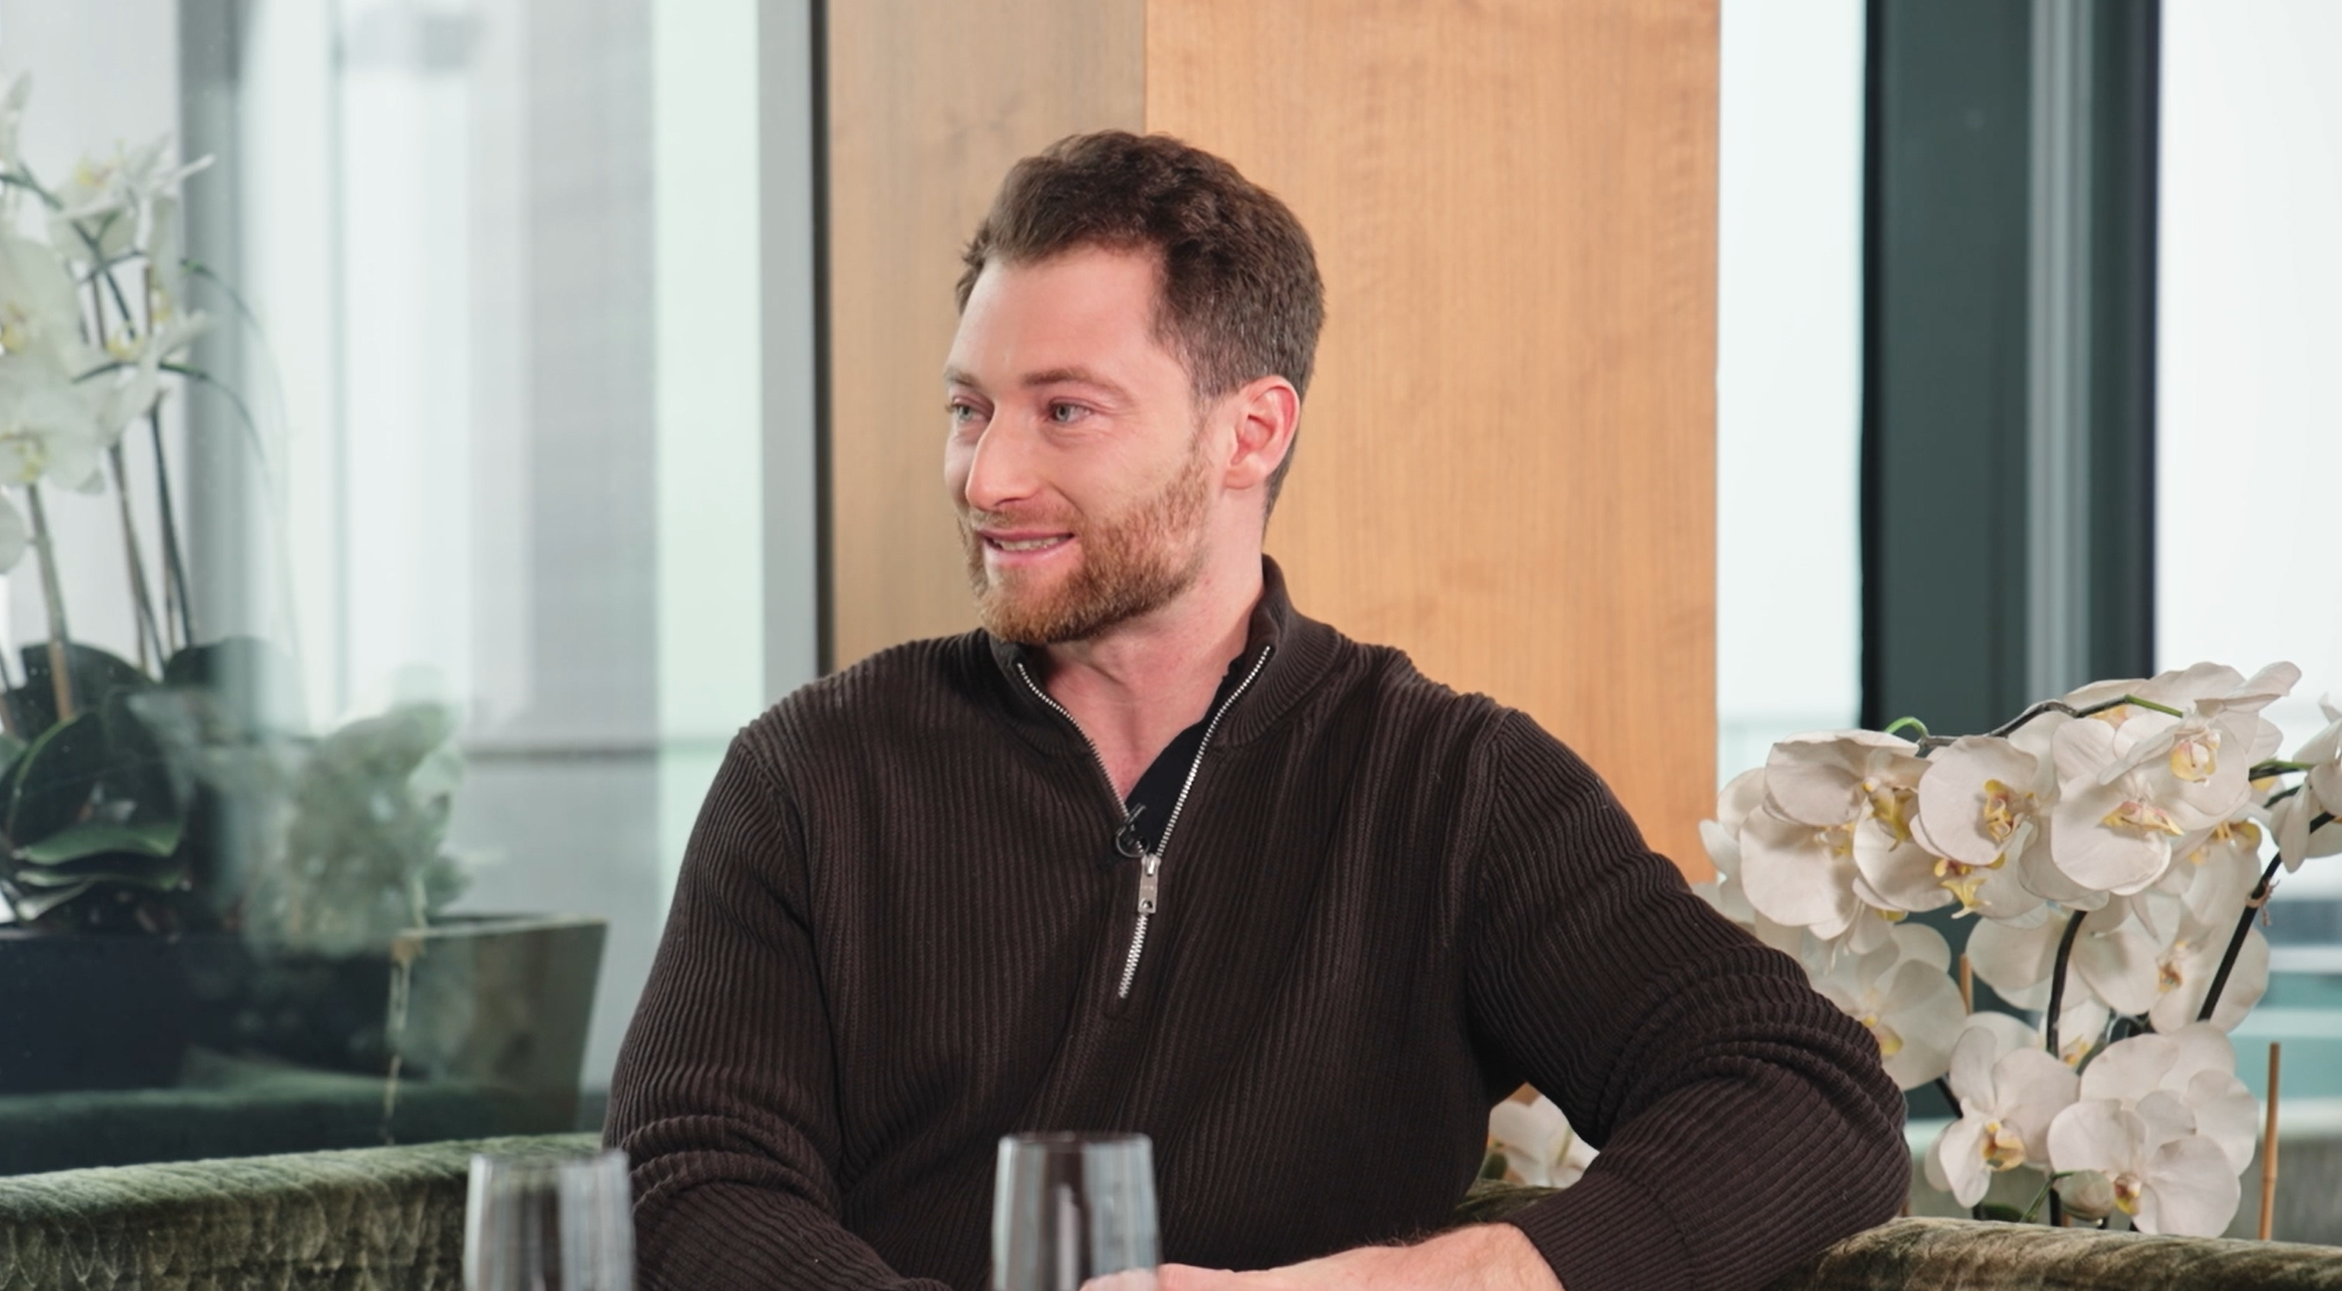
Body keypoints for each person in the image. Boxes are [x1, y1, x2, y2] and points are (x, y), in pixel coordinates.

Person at [605, 130, 1907, 1291]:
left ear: (1251, 432)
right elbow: (681, 1182)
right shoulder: (813, 774)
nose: (986, 475)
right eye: (970, 409)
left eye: (1065, 411)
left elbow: (1808, 1096)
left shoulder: (1449, 785)